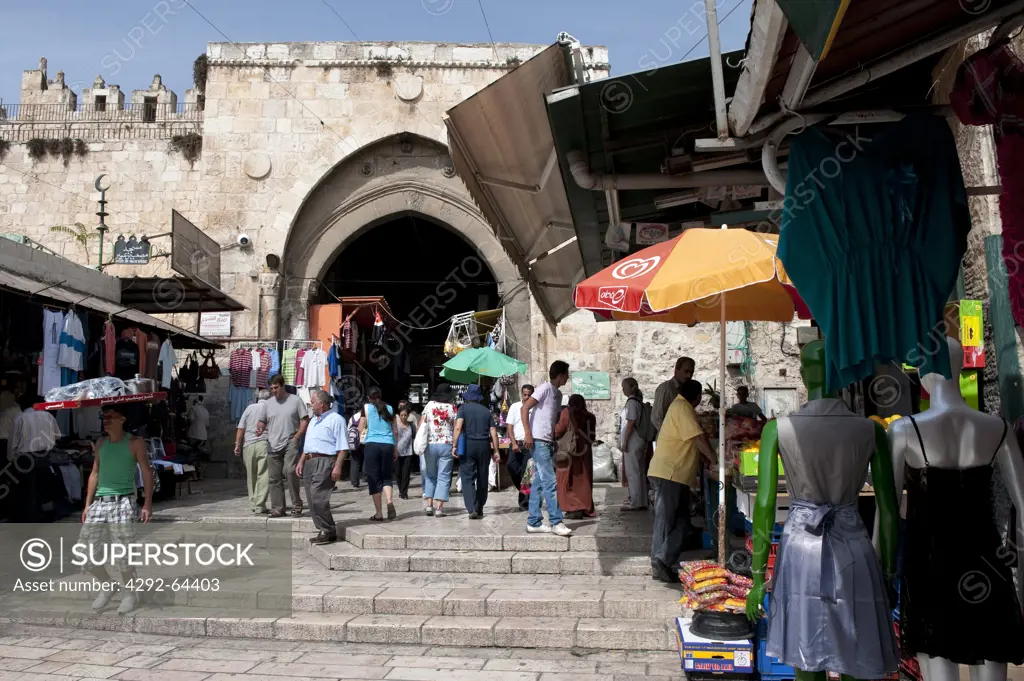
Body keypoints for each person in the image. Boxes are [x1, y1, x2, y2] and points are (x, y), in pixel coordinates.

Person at [80, 403, 154, 614]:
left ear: (122, 419)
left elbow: (146, 472)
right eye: (104, 416)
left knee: (123, 553)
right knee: (85, 552)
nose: (106, 420)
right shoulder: (101, 443)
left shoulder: (135, 443)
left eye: (111, 416)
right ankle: (108, 584)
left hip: (123, 501)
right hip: (100, 503)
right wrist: (87, 504)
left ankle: (130, 591)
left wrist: (147, 503)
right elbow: (94, 473)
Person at [649, 379, 716, 582]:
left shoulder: (679, 406)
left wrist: (706, 457)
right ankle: (659, 561)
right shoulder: (682, 407)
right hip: (670, 472)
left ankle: (662, 560)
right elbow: (697, 437)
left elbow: (692, 440)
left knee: (681, 522)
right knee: (667, 520)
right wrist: (714, 459)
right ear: (697, 397)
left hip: (675, 473)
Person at [521, 360, 573, 536]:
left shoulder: (557, 395)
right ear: (560, 375)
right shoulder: (544, 389)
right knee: (550, 482)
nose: (568, 377)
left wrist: (553, 439)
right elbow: (524, 408)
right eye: (567, 374)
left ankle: (534, 521)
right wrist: (528, 433)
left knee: (539, 483)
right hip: (538, 441)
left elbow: (550, 419)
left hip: (548, 442)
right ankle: (556, 521)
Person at [296, 390, 348, 545]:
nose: (311, 404)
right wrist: (301, 461)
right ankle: (323, 529)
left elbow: (343, 446)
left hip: (325, 461)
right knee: (311, 499)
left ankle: (328, 529)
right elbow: (308, 445)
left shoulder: (336, 419)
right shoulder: (313, 420)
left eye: (313, 401)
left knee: (318, 496)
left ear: (322, 403)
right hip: (309, 462)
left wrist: (338, 466)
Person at [8, 393, 63, 522]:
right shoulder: (48, 416)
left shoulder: (20, 418)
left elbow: (13, 444)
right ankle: (43, 517)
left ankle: (28, 519)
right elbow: (58, 435)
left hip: (24, 459)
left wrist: (11, 459)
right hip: (43, 456)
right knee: (43, 488)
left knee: (26, 491)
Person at [452, 384, 500, 519]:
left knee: (467, 476)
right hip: (484, 445)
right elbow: (493, 432)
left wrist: (454, 445)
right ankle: (480, 506)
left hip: (468, 445)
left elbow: (458, 428)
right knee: (483, 476)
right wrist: (496, 450)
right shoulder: (487, 412)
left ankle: (471, 508)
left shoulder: (463, 409)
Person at [266, 374, 309, 517]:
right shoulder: (268, 403)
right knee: (273, 478)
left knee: (289, 471)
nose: (274, 391)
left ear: (282, 385)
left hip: (290, 441)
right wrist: (260, 427)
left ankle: (297, 504)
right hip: (272, 443)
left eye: (276, 387)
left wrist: (297, 436)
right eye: (271, 388)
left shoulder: (295, 400)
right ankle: (278, 508)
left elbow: (304, 420)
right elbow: (263, 421)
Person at [554, 394, 597, 520]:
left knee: (568, 480)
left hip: (569, 452)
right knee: (584, 480)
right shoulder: (591, 417)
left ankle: (573, 508)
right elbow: (592, 436)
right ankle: (586, 507)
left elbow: (559, 430)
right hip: (585, 452)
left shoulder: (567, 412)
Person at [361, 385, 400, 521]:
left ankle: (379, 513)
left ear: (368, 398)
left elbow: (361, 427)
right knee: (386, 477)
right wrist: (395, 448)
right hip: (388, 445)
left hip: (372, 445)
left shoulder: (366, 408)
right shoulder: (389, 408)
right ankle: (389, 501)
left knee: (374, 478)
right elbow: (395, 430)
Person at [421, 384, 457, 517]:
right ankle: (439, 509)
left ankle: (429, 505)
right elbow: (456, 426)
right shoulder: (452, 407)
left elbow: (422, 422)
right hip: (446, 444)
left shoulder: (429, 405)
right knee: (444, 476)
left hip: (430, 444)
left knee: (430, 474)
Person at [234, 389, 269, 514]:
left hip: (248, 445)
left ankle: (253, 503)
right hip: (264, 443)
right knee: (263, 475)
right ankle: (260, 505)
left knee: (251, 475)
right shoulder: (270, 408)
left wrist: (237, 444)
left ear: (257, 398)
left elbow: (240, 428)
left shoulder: (249, 408)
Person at [620, 377, 650, 511]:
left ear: (631, 387)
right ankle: (642, 500)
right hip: (639, 439)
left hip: (634, 439)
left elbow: (631, 422)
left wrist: (625, 441)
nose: (622, 389)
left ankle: (636, 501)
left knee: (633, 471)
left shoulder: (632, 402)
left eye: (624, 386)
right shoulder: (638, 401)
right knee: (639, 470)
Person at [504, 384, 534, 511]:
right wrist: (514, 443)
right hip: (516, 443)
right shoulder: (515, 407)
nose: (527, 397)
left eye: (529, 395)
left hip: (529, 445)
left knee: (526, 473)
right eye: (525, 394)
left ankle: (524, 502)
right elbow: (509, 426)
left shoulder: (536, 407)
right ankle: (524, 492)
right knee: (511, 467)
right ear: (522, 394)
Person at [652, 357, 696, 430]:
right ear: (676, 370)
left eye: (691, 372)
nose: (689, 375)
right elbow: (656, 418)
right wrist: (670, 434)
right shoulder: (666, 388)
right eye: (686, 371)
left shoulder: (686, 389)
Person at [395, 405, 417, 499]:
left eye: (405, 415)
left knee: (406, 474)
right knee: (397, 473)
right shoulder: (395, 425)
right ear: (399, 415)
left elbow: (414, 437)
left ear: (408, 415)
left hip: (408, 453)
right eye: (402, 415)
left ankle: (404, 493)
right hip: (397, 452)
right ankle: (400, 490)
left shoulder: (411, 425)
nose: (403, 417)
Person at [346, 407, 364, 488]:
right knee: (366, 460)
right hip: (364, 441)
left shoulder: (353, 417)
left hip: (353, 442)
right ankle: (366, 477)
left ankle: (354, 481)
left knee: (355, 461)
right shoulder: (366, 417)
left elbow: (348, 429)